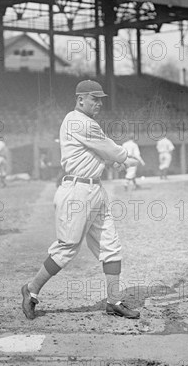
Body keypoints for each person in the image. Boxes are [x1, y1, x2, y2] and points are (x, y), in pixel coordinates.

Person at [21, 80, 140, 320]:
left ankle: (113, 301)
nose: (98, 103)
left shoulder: (87, 123)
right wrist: (126, 157)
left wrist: (111, 160)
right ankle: (31, 290)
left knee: (110, 245)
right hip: (76, 191)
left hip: (95, 189)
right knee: (67, 247)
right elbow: (110, 149)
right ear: (80, 99)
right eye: (94, 99)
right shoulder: (78, 121)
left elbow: (95, 154)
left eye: (100, 99)